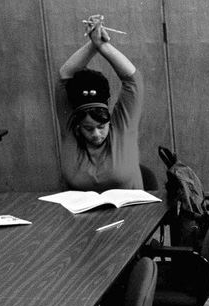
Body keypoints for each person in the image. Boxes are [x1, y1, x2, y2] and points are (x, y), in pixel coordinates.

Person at [57, 14, 143, 191]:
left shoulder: (122, 127)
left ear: (109, 121)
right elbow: (64, 75)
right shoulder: (70, 128)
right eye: (88, 128)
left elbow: (133, 80)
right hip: (83, 218)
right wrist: (92, 44)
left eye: (101, 126)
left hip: (132, 215)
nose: (96, 134)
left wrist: (102, 45)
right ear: (78, 125)